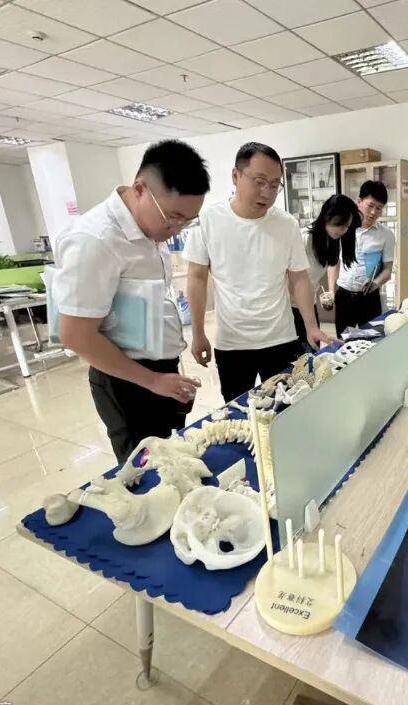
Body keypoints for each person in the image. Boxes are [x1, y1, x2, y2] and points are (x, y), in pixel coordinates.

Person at [53, 139, 209, 464]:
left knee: (172, 460)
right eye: (173, 217)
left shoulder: (150, 229)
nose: (177, 228)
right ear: (140, 189)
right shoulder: (95, 240)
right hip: (127, 381)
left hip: (159, 371)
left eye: (188, 220)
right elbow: (76, 335)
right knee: (145, 472)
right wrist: (152, 380)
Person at [185, 142, 331, 404]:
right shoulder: (207, 220)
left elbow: (299, 278)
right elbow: (196, 278)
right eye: (260, 182)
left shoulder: (286, 225)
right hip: (232, 343)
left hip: (281, 337)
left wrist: (311, 326)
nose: (267, 193)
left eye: (275, 185)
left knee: (285, 407)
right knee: (237, 411)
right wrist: (198, 333)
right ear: (235, 176)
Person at [289, 194, 361, 349]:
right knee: (298, 352)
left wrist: (331, 290)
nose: (343, 230)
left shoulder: (332, 240)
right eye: (341, 224)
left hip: (309, 305)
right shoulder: (303, 239)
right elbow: (290, 279)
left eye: (347, 226)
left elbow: (333, 264)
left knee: (312, 349)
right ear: (327, 216)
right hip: (289, 307)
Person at [332, 181, 395, 336]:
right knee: (344, 341)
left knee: (371, 341)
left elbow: (387, 270)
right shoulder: (343, 228)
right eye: (370, 205)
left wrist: (375, 283)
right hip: (344, 296)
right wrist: (331, 291)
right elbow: (333, 262)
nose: (373, 212)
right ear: (359, 202)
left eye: (379, 208)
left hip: (369, 297)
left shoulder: (386, 234)